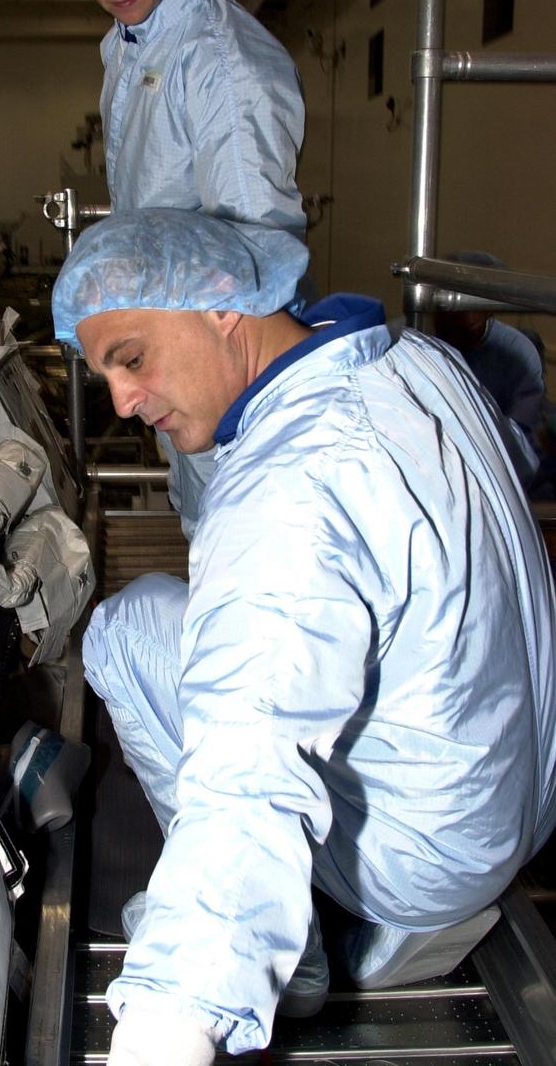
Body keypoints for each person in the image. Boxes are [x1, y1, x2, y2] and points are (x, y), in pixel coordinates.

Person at [51, 206, 556, 1066]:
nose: (124, 404)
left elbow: (244, 768)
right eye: (103, 377)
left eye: (129, 359)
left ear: (220, 305)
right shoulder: (416, 360)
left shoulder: (286, 489)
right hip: (517, 803)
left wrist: (172, 1020)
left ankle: (296, 964)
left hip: (417, 866)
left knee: (126, 627)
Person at [42, 0, 307, 536]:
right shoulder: (131, 47)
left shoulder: (216, 58)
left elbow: (257, 242)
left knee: (249, 537)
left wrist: (227, 376)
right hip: (176, 349)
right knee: (207, 524)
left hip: (222, 361)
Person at [433, 251, 545, 478]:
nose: (458, 318)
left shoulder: (516, 351)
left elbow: (522, 444)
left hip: (494, 468)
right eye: (447, 309)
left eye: (467, 306)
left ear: (488, 308)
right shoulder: (413, 342)